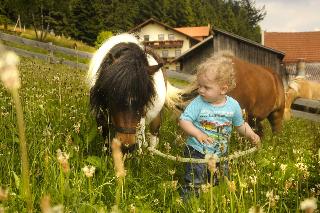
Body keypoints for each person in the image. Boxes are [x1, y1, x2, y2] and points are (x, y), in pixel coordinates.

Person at [179, 52, 260, 198]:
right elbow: (184, 120)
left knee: (218, 181)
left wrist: (251, 134)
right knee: (194, 181)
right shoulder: (198, 103)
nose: (200, 90)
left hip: (221, 153)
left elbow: (241, 125)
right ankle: (189, 203)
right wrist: (198, 134)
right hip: (197, 151)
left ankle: (211, 201)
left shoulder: (233, 106)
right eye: (199, 86)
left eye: (206, 87)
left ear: (223, 89)